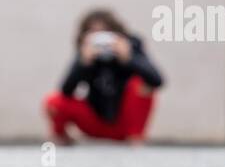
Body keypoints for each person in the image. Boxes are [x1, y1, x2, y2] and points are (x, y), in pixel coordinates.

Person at [44, 10, 163, 145]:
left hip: (125, 124)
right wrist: (83, 63)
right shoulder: (85, 53)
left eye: (105, 33)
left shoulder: (131, 47)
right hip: (96, 121)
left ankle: (135, 138)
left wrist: (129, 58)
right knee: (53, 101)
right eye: (94, 34)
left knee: (142, 83)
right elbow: (66, 91)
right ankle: (61, 138)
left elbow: (157, 80)